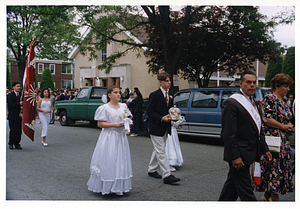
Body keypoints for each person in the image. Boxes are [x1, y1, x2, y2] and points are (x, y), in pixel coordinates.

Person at [218, 71, 272, 201]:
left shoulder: (254, 102)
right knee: (246, 192)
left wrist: (264, 148)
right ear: (241, 83)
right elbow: (228, 133)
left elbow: (259, 129)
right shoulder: (232, 103)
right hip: (239, 155)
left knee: (231, 189)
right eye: (248, 82)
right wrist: (235, 156)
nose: (252, 85)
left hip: (250, 152)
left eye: (254, 82)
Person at [87, 85, 133, 195]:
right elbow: (100, 123)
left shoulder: (123, 106)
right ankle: (106, 185)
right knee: (109, 159)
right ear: (109, 95)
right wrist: (115, 124)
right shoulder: (104, 108)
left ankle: (118, 186)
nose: (118, 94)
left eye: (119, 92)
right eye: (115, 92)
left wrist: (128, 124)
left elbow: (129, 118)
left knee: (120, 160)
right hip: (109, 136)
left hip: (120, 137)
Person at [256, 73, 294, 201]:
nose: (288, 89)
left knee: (279, 169)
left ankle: (267, 196)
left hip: (282, 141)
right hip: (273, 141)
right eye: (285, 86)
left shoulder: (282, 101)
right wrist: (283, 126)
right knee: (274, 169)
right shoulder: (270, 98)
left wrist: (288, 125)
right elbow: (267, 119)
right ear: (277, 86)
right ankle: (273, 198)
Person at [146, 72, 180, 185]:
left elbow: (170, 110)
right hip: (156, 127)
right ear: (160, 82)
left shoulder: (170, 95)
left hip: (166, 127)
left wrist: (173, 118)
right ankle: (167, 175)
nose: (169, 82)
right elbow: (149, 112)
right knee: (161, 151)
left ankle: (151, 169)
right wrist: (161, 118)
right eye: (166, 80)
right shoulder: (154, 95)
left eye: (170, 80)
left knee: (158, 149)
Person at [7, 82, 23, 150]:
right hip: (12, 116)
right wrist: (19, 103)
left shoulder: (21, 96)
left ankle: (17, 143)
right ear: (13, 87)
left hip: (19, 116)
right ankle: (11, 143)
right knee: (13, 130)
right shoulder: (10, 95)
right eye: (17, 86)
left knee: (19, 130)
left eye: (19, 86)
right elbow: (10, 105)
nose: (19, 87)